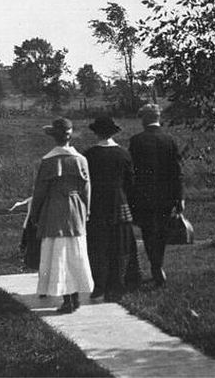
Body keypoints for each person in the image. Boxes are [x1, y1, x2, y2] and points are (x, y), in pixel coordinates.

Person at [30, 117, 94, 314]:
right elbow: (87, 188)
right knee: (75, 251)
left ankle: (67, 298)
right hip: (76, 208)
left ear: (53, 137)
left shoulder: (48, 161)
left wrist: (35, 212)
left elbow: (39, 190)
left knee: (59, 253)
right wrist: (87, 210)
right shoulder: (80, 159)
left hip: (54, 209)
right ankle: (74, 296)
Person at [83, 115, 141, 301]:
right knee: (118, 246)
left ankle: (99, 285)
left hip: (96, 204)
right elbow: (131, 183)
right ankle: (115, 286)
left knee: (97, 245)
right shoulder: (124, 154)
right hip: (119, 202)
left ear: (96, 133)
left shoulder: (89, 155)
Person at [128, 103, 184, 287]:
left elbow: (132, 172)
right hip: (166, 197)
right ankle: (157, 265)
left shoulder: (136, 141)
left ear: (144, 119)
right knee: (161, 232)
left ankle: (155, 265)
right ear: (158, 118)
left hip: (143, 197)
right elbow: (177, 172)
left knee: (148, 232)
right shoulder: (169, 140)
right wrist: (180, 197)